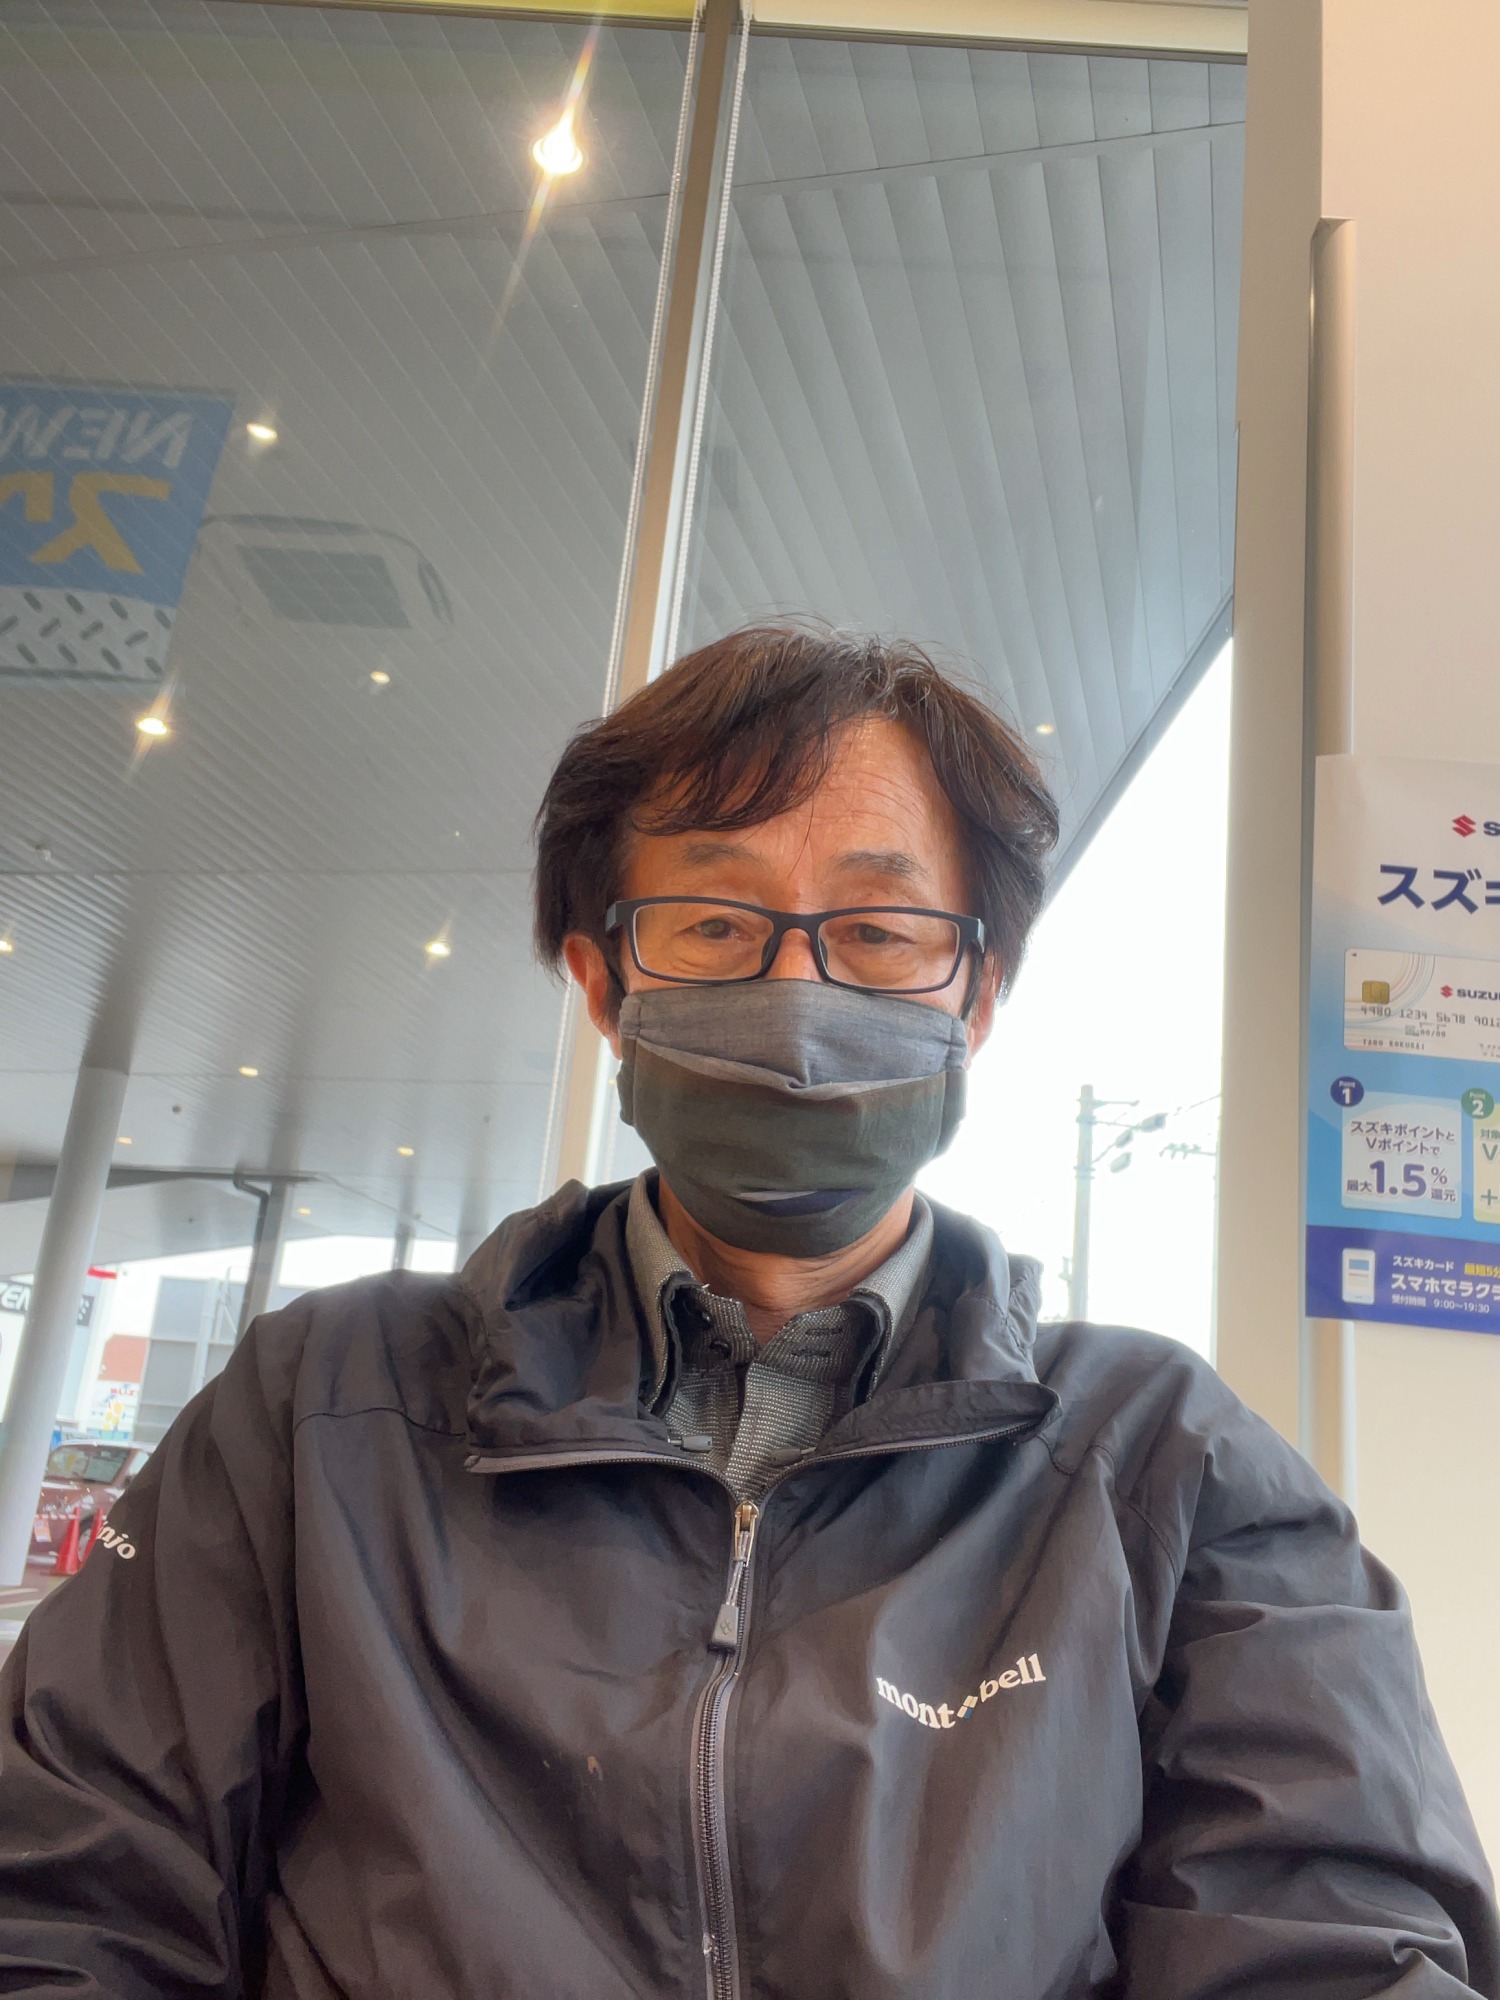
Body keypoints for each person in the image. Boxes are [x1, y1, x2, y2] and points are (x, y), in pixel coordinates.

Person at [0, 624, 1494, 2000]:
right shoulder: (324, 1411)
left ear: (974, 1002)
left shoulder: (1166, 1468)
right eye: (713, 924)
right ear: (604, 987)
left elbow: (1331, 1945)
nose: (794, 996)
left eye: (880, 932)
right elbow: (63, 1896)